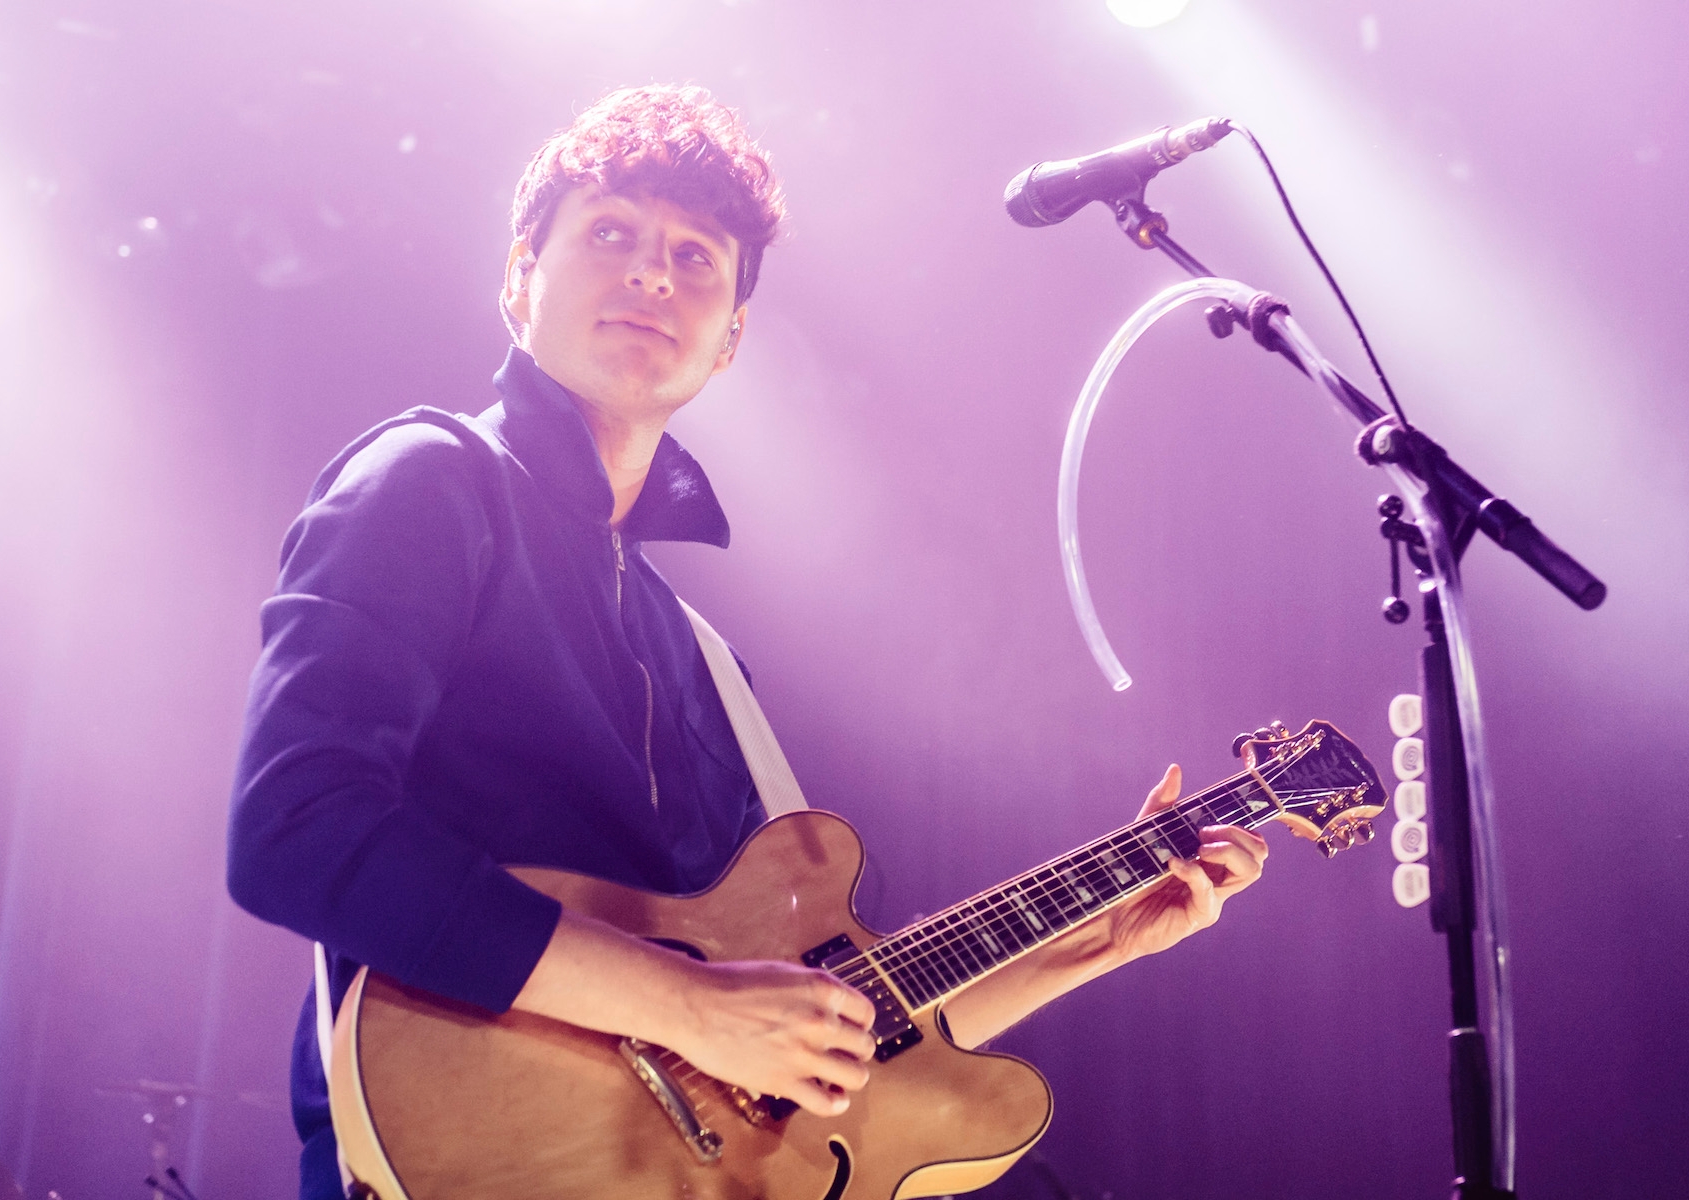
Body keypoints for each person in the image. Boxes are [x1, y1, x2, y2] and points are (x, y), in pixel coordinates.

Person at [225, 84, 1268, 1199]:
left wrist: (1103, 939)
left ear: (729, 339)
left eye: (694, 258)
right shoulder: (429, 482)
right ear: (519, 281)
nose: (649, 274)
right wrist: (688, 1007)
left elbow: (819, 1030)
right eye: (611, 234)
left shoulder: (698, 655)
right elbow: (293, 831)